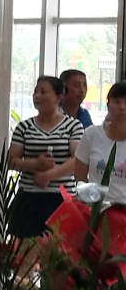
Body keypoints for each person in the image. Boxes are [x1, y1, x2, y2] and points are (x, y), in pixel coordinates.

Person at [8, 75, 83, 238]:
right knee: (25, 249)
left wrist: (49, 175)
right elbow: (11, 161)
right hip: (29, 198)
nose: (37, 96)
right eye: (35, 92)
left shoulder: (73, 126)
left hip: (62, 199)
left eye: (43, 92)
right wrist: (36, 163)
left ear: (58, 97)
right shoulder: (24, 127)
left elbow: (77, 160)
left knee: (61, 250)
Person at [74, 81, 126, 201]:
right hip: (97, 208)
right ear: (108, 105)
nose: (122, 107)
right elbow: (80, 177)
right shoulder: (91, 134)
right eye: (117, 102)